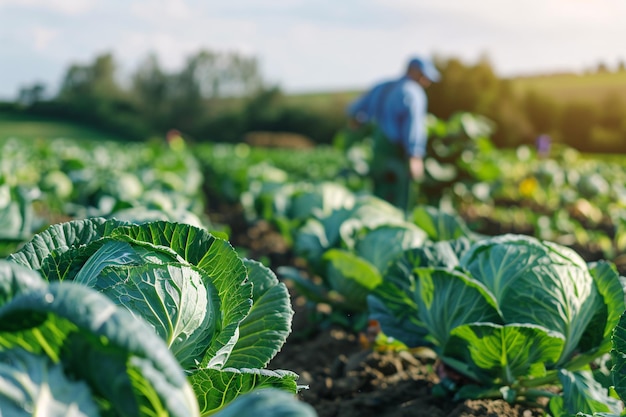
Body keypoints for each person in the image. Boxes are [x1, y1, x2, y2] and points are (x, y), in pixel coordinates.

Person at [345, 56, 440, 210]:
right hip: (398, 153)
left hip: (377, 150)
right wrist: (415, 155)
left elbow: (354, 111)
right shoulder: (414, 92)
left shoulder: (383, 86)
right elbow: (414, 126)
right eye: (424, 77)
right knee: (400, 201)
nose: (426, 82)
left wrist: (357, 122)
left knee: (378, 198)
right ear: (415, 72)